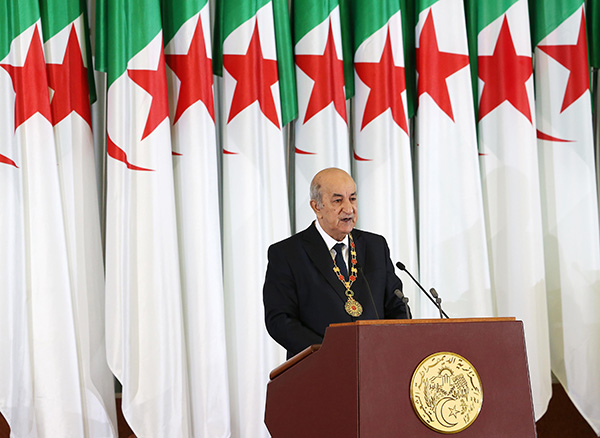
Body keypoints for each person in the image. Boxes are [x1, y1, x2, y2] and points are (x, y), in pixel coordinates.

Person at [263, 167, 410, 359]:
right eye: (338, 201)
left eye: (353, 199)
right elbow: (280, 320)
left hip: (375, 361)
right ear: (316, 207)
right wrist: (328, 351)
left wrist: (388, 346)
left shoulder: (375, 246)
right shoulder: (287, 253)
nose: (349, 209)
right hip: (318, 365)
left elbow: (397, 306)